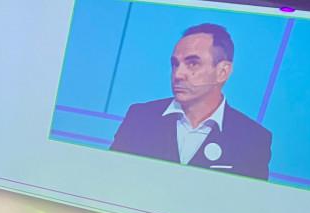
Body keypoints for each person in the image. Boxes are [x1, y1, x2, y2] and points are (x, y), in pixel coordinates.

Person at [110, 23, 271, 181]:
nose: (178, 74)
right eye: (175, 64)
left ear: (222, 72)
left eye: (192, 63)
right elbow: (110, 178)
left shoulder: (254, 139)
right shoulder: (140, 117)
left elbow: (248, 203)